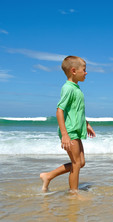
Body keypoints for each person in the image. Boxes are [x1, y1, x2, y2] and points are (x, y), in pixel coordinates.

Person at [40, 56, 96, 194]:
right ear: (73, 71)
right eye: (84, 70)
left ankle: (48, 176)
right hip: (70, 131)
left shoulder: (76, 88)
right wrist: (64, 134)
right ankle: (73, 193)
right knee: (76, 164)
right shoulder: (68, 88)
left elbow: (77, 111)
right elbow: (60, 110)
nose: (86, 72)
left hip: (76, 130)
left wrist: (86, 124)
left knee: (81, 162)